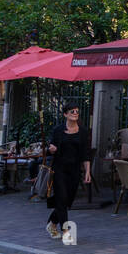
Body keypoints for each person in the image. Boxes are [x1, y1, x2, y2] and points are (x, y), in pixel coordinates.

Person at [46, 103, 91, 240]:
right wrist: (51, 149)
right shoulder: (58, 130)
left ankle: (52, 223)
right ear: (65, 114)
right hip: (59, 168)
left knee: (68, 201)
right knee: (62, 198)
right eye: (72, 111)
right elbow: (50, 147)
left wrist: (87, 171)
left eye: (77, 111)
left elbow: (85, 154)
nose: (75, 113)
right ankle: (65, 231)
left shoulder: (83, 131)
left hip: (75, 169)